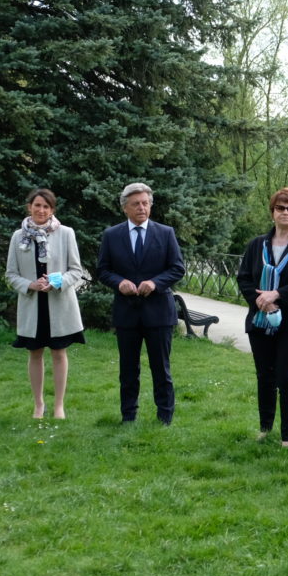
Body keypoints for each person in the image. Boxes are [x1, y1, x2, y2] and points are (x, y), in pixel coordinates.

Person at [237, 188, 288, 447]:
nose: (285, 212)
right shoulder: (256, 245)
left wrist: (277, 295)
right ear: (272, 212)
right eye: (280, 208)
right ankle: (265, 428)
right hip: (260, 320)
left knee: (287, 378)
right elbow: (244, 278)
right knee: (265, 376)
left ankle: (287, 436)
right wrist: (261, 301)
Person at [97, 182, 185, 425]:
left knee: (161, 369)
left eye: (146, 203)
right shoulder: (112, 235)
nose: (142, 208)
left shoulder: (165, 233)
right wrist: (119, 282)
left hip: (158, 312)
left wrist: (156, 283)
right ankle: (128, 416)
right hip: (127, 313)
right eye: (136, 204)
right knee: (128, 371)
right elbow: (103, 270)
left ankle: (165, 416)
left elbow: (177, 268)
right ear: (125, 207)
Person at [5, 188, 86, 419]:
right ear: (29, 206)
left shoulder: (66, 233)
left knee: (59, 353)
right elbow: (11, 274)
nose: (41, 210)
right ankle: (39, 404)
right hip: (33, 306)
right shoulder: (17, 236)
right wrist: (30, 285)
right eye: (37, 205)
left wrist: (56, 282)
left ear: (52, 210)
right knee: (35, 353)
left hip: (59, 305)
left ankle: (59, 405)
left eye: (46, 206)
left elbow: (76, 271)